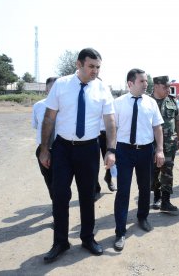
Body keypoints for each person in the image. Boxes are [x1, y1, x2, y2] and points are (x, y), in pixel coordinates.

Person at [39, 48, 116, 262]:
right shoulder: (61, 85)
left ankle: (87, 238)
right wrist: (45, 149)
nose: (95, 71)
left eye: (98, 67)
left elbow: (110, 122)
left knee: (87, 195)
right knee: (60, 195)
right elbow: (49, 118)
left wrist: (110, 150)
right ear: (79, 64)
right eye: (91, 66)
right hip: (63, 148)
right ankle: (60, 242)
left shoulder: (102, 88)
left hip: (89, 149)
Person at [113, 68, 165, 252]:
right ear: (130, 84)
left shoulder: (151, 103)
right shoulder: (118, 103)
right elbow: (112, 129)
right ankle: (120, 231)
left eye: (146, 81)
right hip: (124, 151)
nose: (146, 84)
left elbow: (157, 128)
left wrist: (159, 150)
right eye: (142, 81)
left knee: (145, 187)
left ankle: (142, 217)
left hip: (145, 151)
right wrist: (111, 151)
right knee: (123, 191)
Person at [150, 76, 179, 214]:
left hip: (169, 145)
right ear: (156, 86)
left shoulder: (172, 101)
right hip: (150, 145)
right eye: (165, 87)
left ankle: (165, 201)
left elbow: (178, 119)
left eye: (169, 87)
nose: (168, 90)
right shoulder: (147, 102)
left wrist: (178, 138)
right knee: (153, 173)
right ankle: (156, 196)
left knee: (167, 172)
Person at [32, 77, 57, 201]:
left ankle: (60, 207)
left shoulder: (67, 106)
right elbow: (37, 125)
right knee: (49, 180)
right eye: (51, 88)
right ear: (46, 90)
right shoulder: (38, 106)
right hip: (44, 149)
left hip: (62, 148)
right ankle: (56, 205)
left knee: (61, 183)